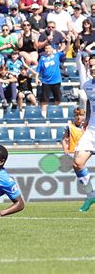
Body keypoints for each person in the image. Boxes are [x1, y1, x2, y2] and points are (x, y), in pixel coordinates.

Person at [71, 57, 95, 212]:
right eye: (91, 66)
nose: (92, 68)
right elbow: (89, 102)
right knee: (77, 163)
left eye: (94, 66)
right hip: (92, 129)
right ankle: (91, 195)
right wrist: (86, 119)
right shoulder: (87, 85)